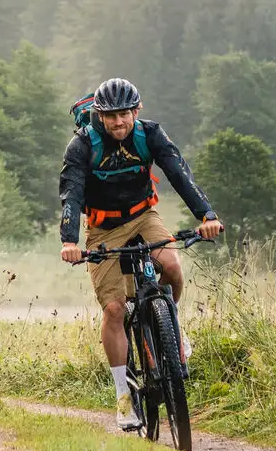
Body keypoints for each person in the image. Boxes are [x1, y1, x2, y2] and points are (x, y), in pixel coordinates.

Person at [58, 76, 224, 431]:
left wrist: (206, 215)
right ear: (99, 115)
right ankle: (123, 395)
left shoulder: (150, 134)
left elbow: (179, 173)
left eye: (126, 114)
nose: (120, 122)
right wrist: (70, 241)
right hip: (102, 228)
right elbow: (71, 193)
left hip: (143, 215)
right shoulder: (82, 145)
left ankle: (172, 329)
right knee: (115, 308)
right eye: (112, 116)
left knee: (171, 266)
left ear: (137, 110)